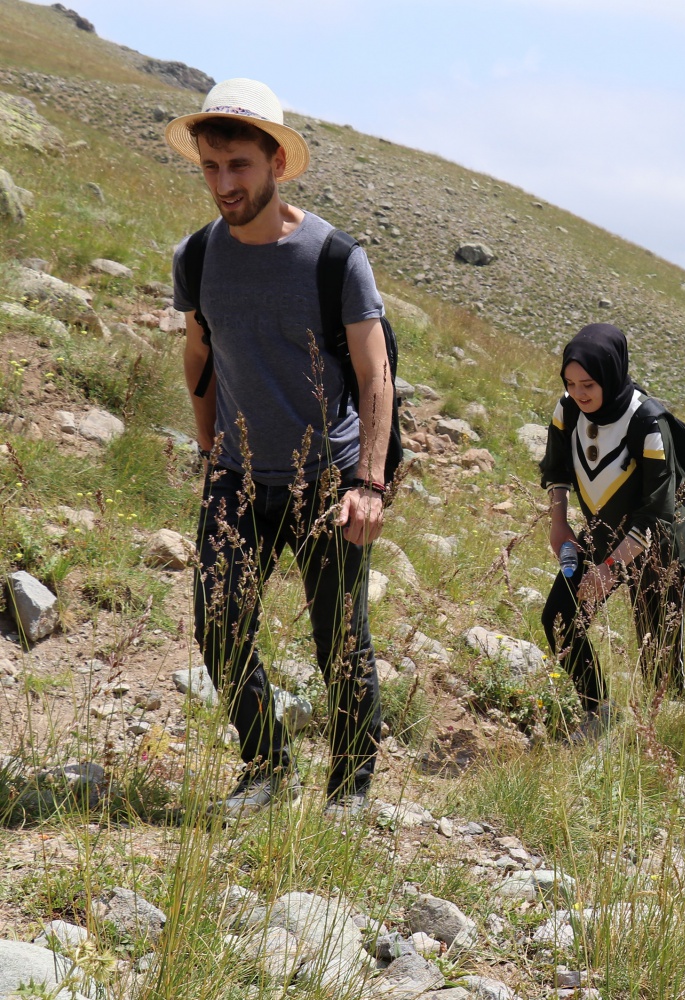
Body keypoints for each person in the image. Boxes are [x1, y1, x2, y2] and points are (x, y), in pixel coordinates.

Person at [169, 79, 391, 820]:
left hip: (328, 477)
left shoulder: (334, 259)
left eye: (238, 165)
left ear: (276, 163)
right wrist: (211, 458)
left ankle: (351, 782)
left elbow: (374, 374)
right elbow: (198, 359)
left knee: (340, 638)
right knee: (218, 626)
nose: (223, 183)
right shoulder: (197, 256)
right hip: (235, 475)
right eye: (209, 166)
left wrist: (371, 484)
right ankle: (266, 764)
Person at [539, 324, 685, 742]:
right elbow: (555, 469)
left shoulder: (647, 420)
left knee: (657, 646)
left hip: (659, 543)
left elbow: (657, 510)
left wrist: (610, 570)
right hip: (603, 530)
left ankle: (665, 739)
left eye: (588, 384)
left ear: (610, 374)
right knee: (560, 617)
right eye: (570, 383)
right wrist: (559, 522)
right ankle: (599, 711)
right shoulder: (567, 410)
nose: (579, 393)